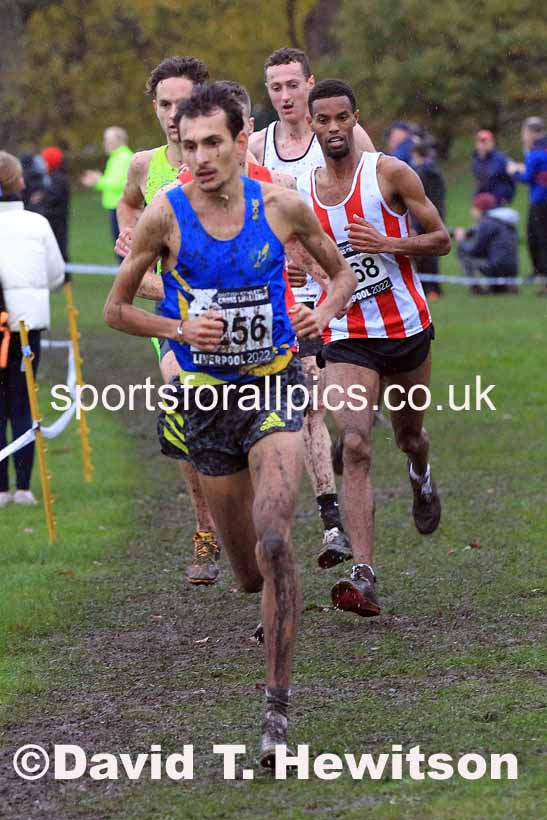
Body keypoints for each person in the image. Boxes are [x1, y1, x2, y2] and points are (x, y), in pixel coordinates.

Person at [103, 82, 356, 764]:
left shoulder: (280, 206)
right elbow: (115, 309)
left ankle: (275, 713)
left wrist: (319, 318)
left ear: (243, 139)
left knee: (276, 541)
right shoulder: (165, 214)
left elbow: (339, 279)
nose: (200, 156)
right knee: (248, 573)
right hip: (206, 404)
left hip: (273, 386)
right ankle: (256, 592)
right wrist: (180, 327)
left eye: (213, 141)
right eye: (188, 145)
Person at [297, 79, 450, 617]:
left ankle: (421, 474)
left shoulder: (389, 173)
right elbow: (294, 259)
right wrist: (300, 269)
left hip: (406, 331)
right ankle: (364, 575)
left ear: (355, 119)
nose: (334, 128)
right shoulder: (301, 197)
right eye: (324, 120)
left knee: (408, 438)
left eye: (343, 118)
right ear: (311, 125)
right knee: (356, 444)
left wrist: (388, 243)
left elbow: (442, 240)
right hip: (346, 338)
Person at [250, 47, 375, 567]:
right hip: (289, 291)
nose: (284, 97)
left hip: (345, 285)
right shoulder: (257, 145)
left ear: (310, 83)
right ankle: (331, 523)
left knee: (356, 421)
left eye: (292, 86)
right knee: (309, 403)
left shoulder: (343, 136)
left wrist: (328, 258)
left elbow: (368, 196)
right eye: (275, 87)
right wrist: (286, 256)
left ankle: (397, 454)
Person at [114, 56, 223, 585]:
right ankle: (205, 530)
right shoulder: (144, 163)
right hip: (173, 309)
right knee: (182, 403)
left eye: (183, 102)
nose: (174, 114)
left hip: (235, 306)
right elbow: (128, 204)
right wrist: (131, 241)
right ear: (154, 108)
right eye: (164, 104)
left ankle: (245, 515)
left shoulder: (227, 154)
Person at [0, 151, 65, 507]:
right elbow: (56, 275)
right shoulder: (37, 224)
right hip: (28, 327)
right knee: (22, 401)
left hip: (1, 325)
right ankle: (23, 487)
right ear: (20, 182)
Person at [507, 117, 547, 294]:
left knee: (540, 239)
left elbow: (528, 178)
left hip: (540, 201)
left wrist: (514, 172)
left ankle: (543, 277)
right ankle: (539, 272)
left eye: (524, 133)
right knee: (535, 237)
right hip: (540, 199)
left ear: (533, 133)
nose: (523, 137)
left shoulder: (535, 152)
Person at [81, 127, 133, 258]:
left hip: (121, 207)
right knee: (120, 248)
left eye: (107, 140)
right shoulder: (116, 157)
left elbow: (120, 184)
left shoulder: (123, 157)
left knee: (123, 249)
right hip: (115, 207)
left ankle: (128, 277)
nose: (105, 143)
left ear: (118, 140)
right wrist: (99, 179)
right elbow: (113, 180)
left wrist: (98, 181)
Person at [455, 193, 519, 295]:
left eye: (474, 207)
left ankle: (475, 289)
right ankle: (504, 287)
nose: (472, 211)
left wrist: (461, 240)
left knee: (464, 254)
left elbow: (474, 250)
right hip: (512, 269)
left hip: (497, 268)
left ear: (481, 209)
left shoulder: (486, 223)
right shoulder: (504, 221)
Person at [411, 138, 446, 299]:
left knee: (424, 253)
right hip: (436, 213)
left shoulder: (420, 172)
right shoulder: (434, 170)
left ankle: (430, 288)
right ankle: (431, 287)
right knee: (431, 252)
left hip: (422, 216)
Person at [41, 146, 70, 261]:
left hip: (57, 220)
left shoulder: (58, 179)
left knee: (59, 248)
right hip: (56, 219)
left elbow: (53, 198)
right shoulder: (54, 177)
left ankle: (66, 277)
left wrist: (42, 200)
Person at [472, 129, 515, 206]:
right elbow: (479, 181)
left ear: (492, 143)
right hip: (483, 201)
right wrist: (476, 198)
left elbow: (511, 179)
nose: (483, 145)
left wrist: (507, 197)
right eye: (480, 142)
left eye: (485, 142)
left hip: (497, 200)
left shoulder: (500, 159)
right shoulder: (476, 161)